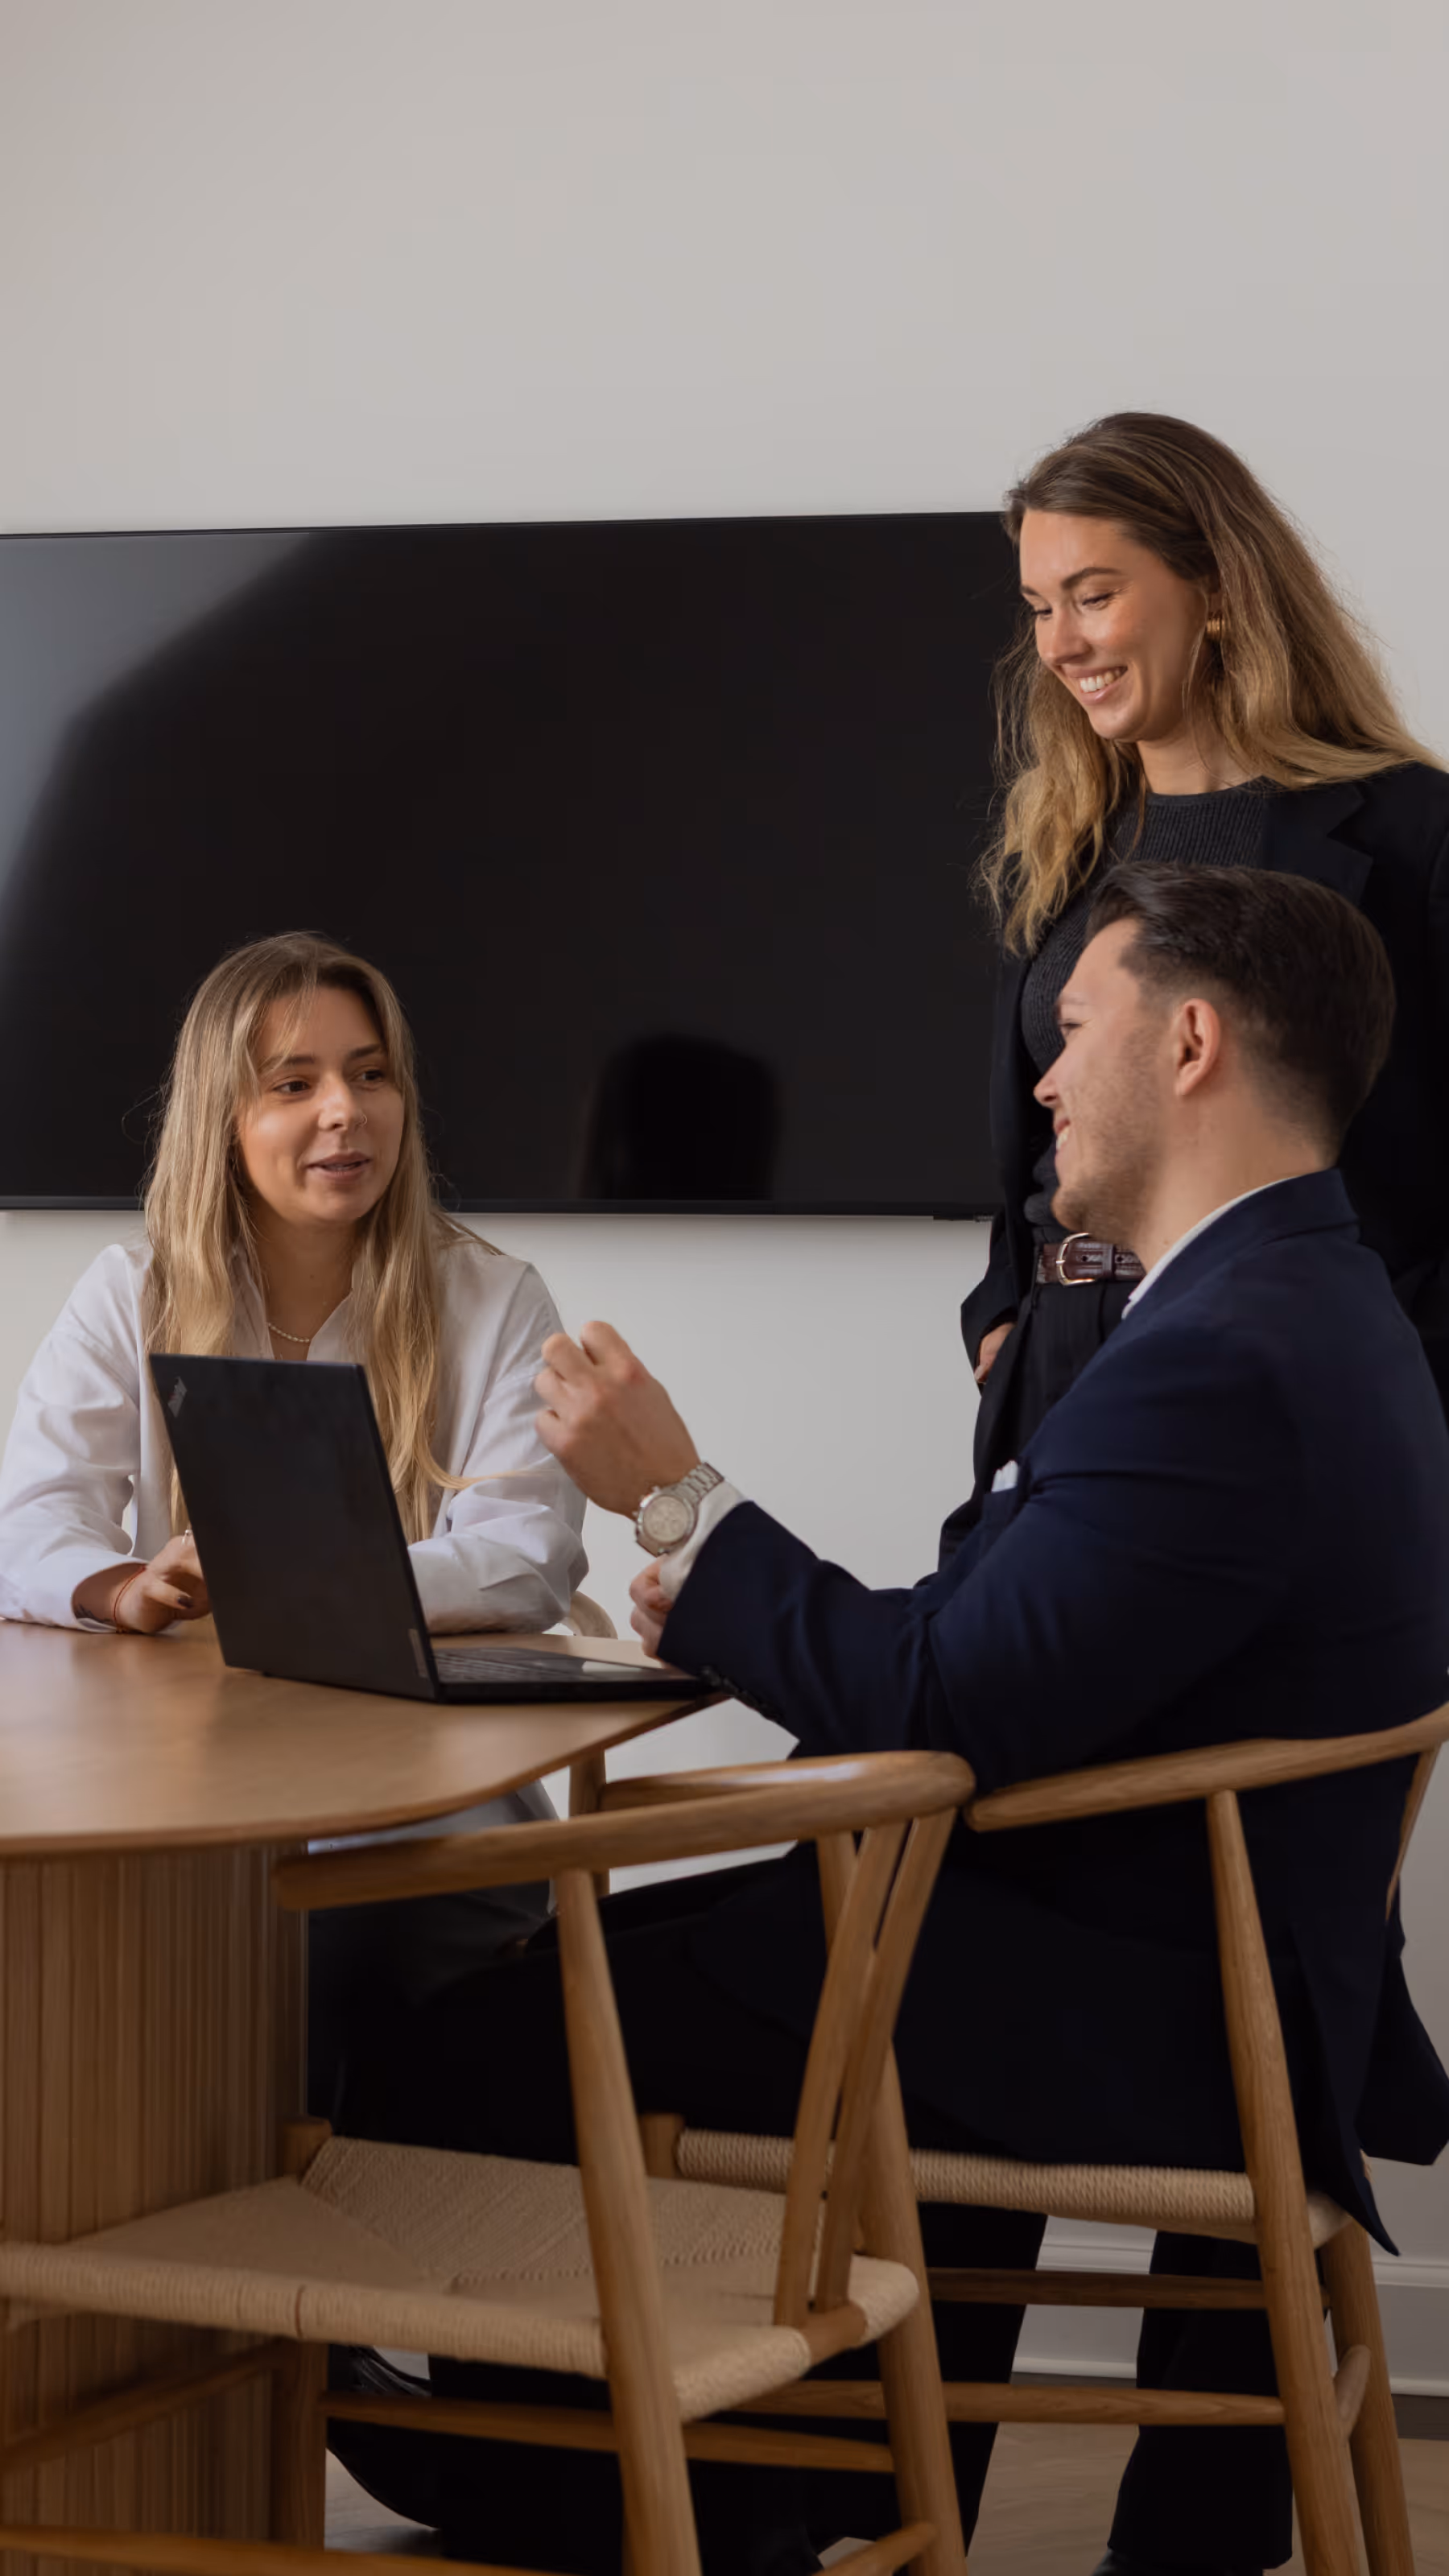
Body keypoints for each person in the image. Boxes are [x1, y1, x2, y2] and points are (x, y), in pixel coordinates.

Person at [333, 868, 1449, 2576]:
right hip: (1144, 1944)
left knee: (452, 2052)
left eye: (1076, 1030)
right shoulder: (1307, 1310)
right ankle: (807, 2492)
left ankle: (653, 2513)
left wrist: (678, 1498)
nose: (1047, 1079)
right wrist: (730, 1592)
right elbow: (1010, 1640)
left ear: (1196, 1041)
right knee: (603, 1964)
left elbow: (944, 1703)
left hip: (1088, 1990)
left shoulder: (1224, 1354)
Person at [0, 930, 587, 2110]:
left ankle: (309, 2253)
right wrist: (121, 1588)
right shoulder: (131, 1289)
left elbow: (529, 1559)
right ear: (225, 1113)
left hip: (428, 1801)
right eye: (296, 1083)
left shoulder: (493, 1295)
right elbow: (27, 1520)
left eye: (373, 1076)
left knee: (337, 1932)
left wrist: (300, 1583)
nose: (346, 1113)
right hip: (188, 1777)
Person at [956, 411, 1449, 1550]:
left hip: (1300, 1390)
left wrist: (1384, 1354)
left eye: (1093, 594)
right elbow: (1028, 1148)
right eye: (1039, 608)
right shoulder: (1063, 850)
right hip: (1062, 1381)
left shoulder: (1418, 837)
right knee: (999, 1702)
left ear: (1218, 591)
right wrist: (1005, 1325)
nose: (1061, 643)